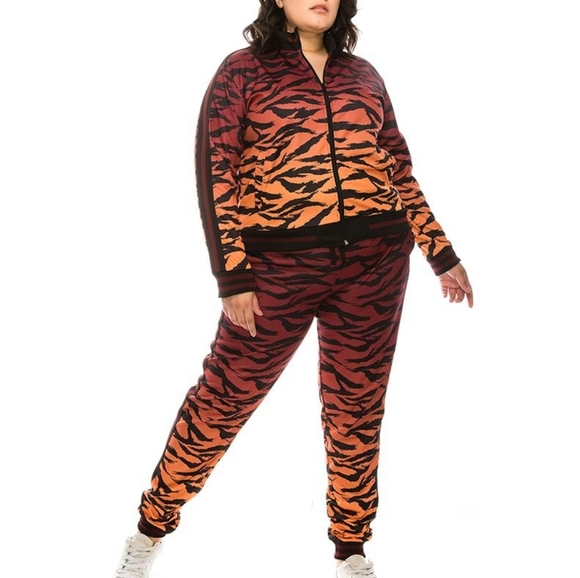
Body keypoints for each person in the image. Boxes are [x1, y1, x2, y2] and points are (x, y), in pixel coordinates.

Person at [113, 1, 473, 577]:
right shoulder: (242, 71)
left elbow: (397, 167)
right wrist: (233, 275)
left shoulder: (364, 75)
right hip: (276, 269)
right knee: (223, 398)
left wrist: (440, 250)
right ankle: (151, 526)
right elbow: (215, 170)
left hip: (376, 263)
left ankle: (351, 547)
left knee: (357, 407)